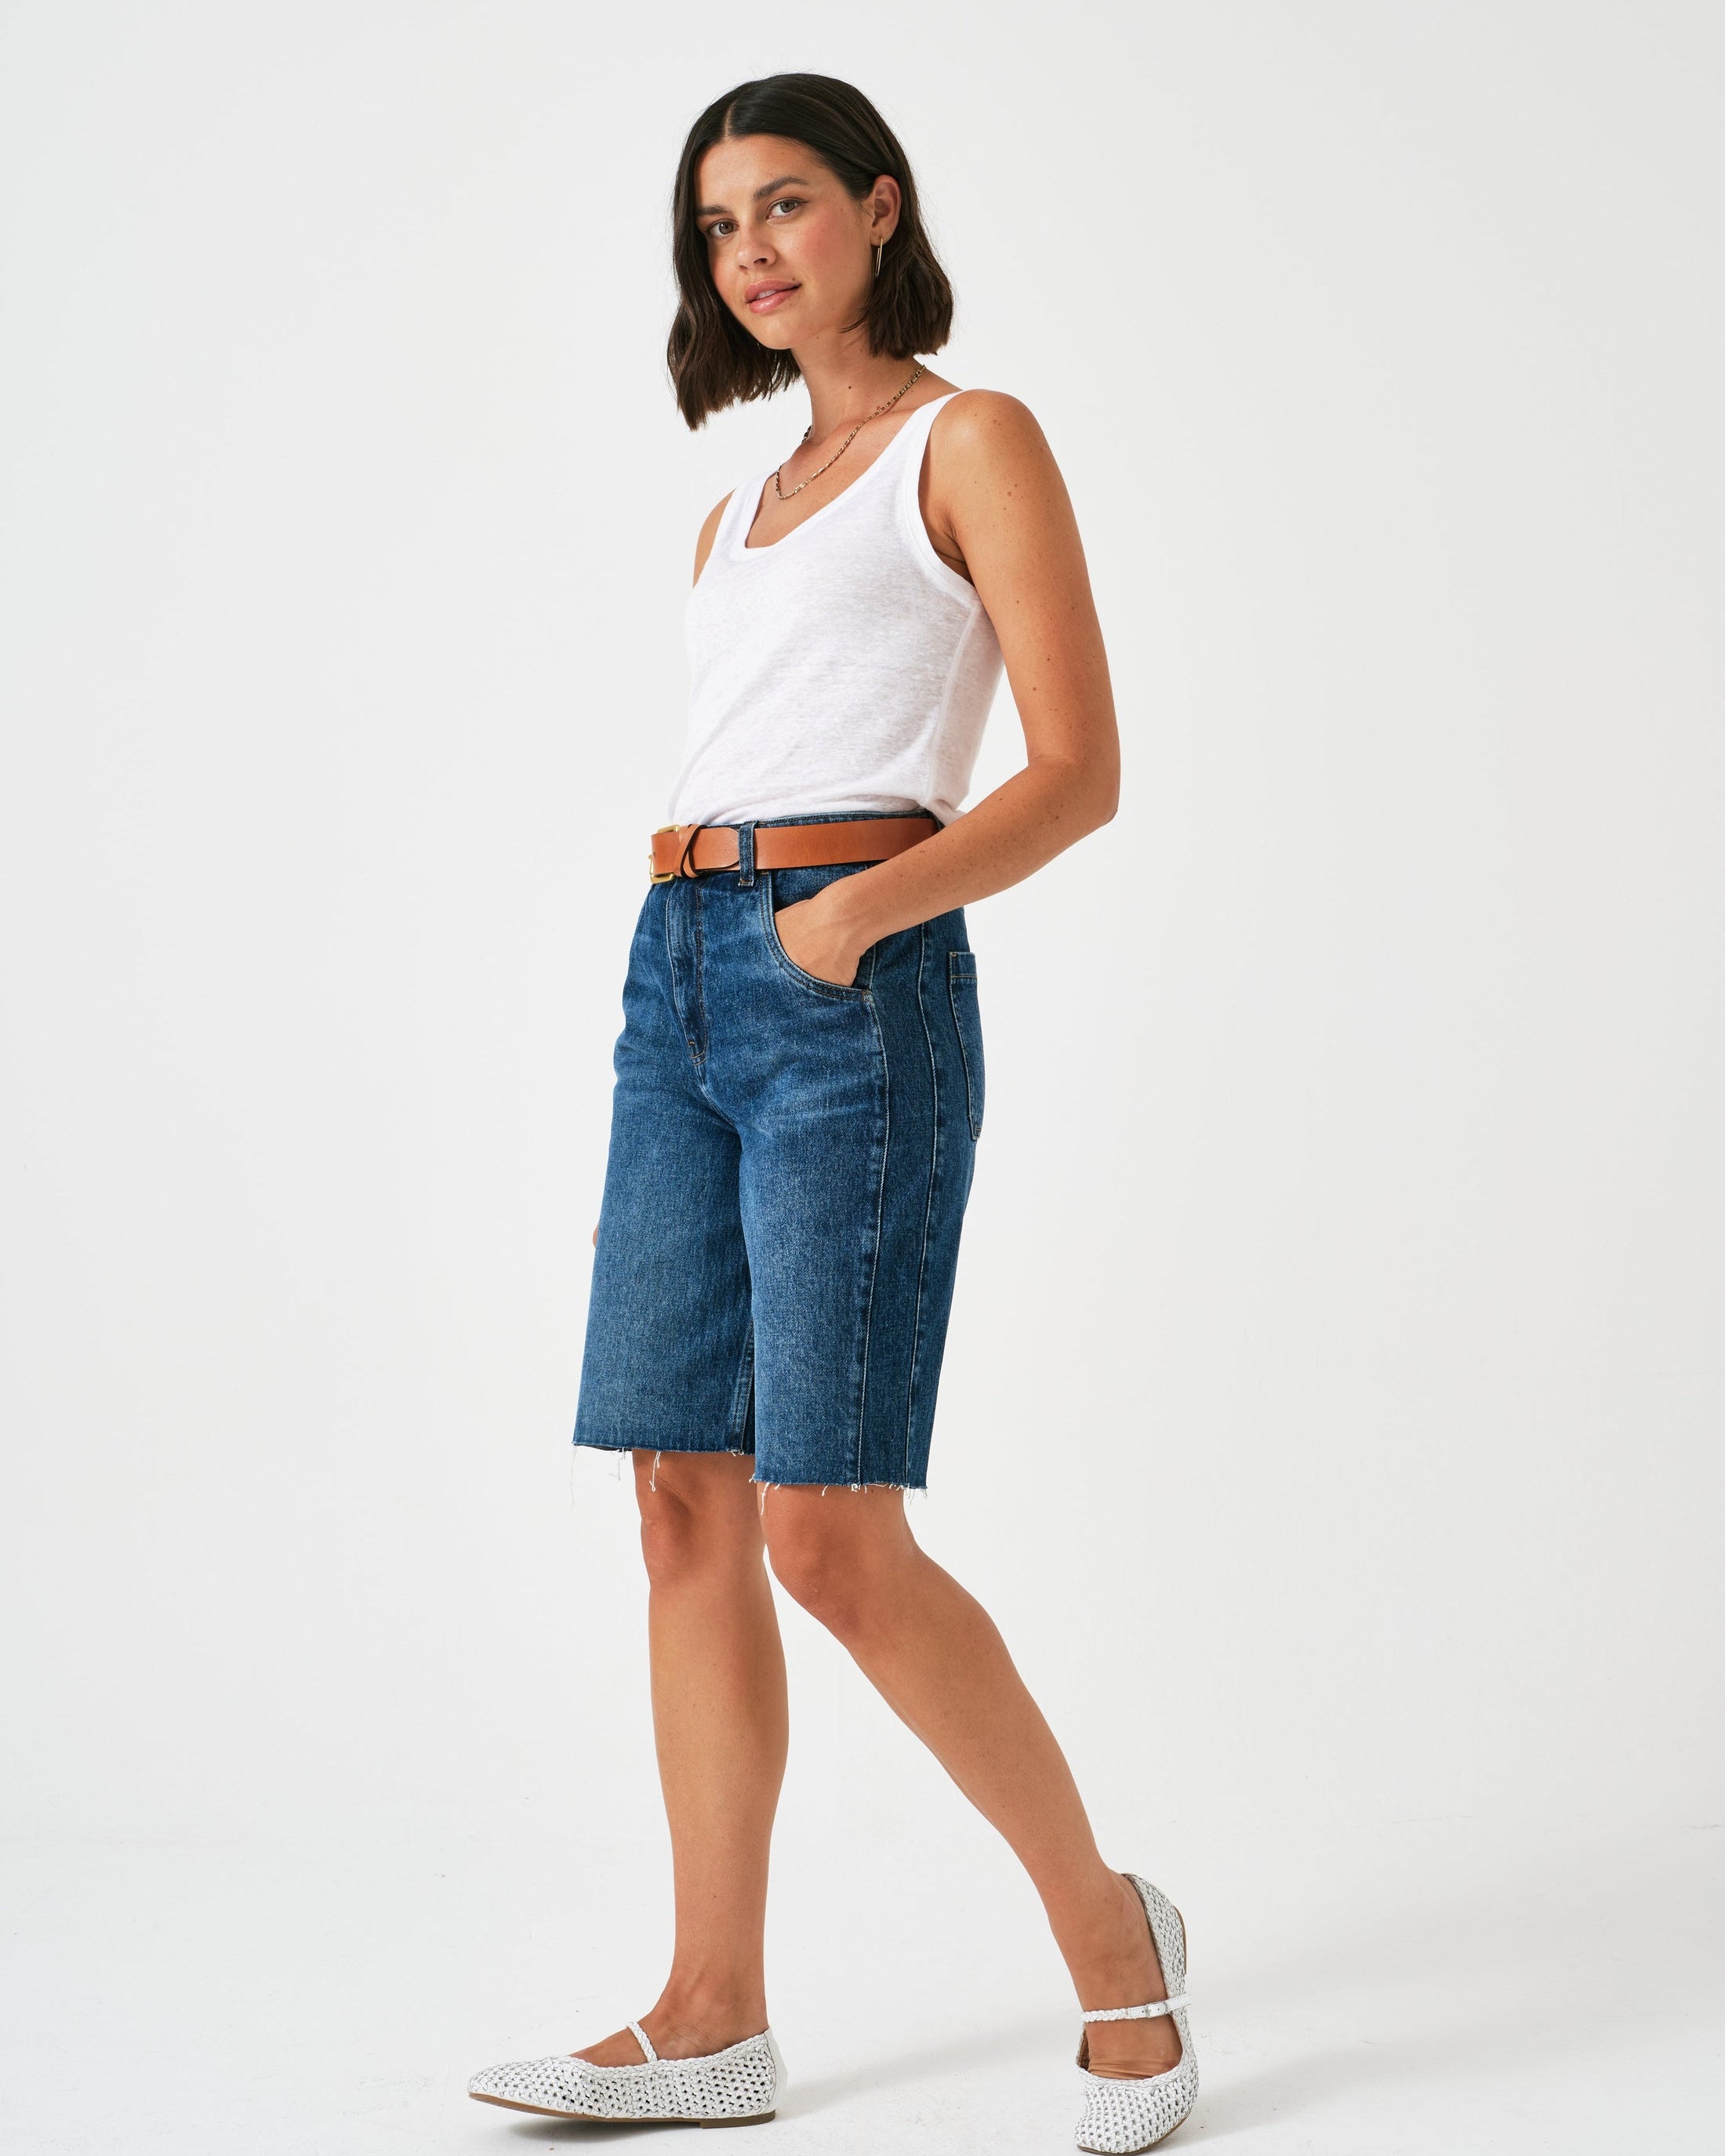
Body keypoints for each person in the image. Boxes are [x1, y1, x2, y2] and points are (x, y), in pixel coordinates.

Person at [467, 72, 1198, 2156]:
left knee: (832, 1536)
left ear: (879, 211)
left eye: (789, 205)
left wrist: (850, 922)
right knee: (679, 1501)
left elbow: (1077, 767)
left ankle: (1115, 1950)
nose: (756, 251)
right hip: (677, 975)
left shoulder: (975, 443)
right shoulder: (740, 507)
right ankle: (710, 2014)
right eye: (720, 227)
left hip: (843, 986)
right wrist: (734, 941)